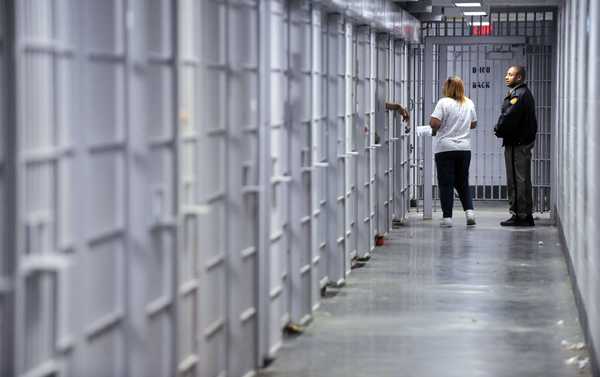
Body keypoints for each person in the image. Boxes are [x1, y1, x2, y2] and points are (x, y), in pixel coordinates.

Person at [429, 76, 477, 227]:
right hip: (464, 148)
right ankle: (469, 212)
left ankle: (447, 218)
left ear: (447, 88)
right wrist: (460, 126)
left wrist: (438, 126)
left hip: (445, 148)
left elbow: (434, 123)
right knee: (463, 181)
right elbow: (474, 124)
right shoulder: (469, 102)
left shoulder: (443, 102)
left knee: (446, 183)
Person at [494, 65, 537, 227]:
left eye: (510, 75)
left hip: (517, 143)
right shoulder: (521, 93)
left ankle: (520, 215)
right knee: (521, 179)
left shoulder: (519, 95)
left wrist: (498, 129)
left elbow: (509, 116)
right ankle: (523, 214)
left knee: (517, 180)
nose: (507, 77)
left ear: (519, 78)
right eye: (507, 74)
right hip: (519, 142)